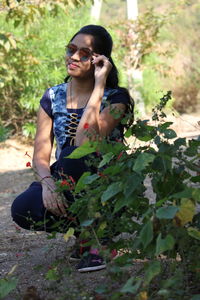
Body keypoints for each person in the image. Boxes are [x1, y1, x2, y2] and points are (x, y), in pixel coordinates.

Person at [11, 24, 133, 272]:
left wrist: (99, 86)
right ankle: (83, 233)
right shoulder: (52, 96)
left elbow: (86, 144)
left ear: (99, 60)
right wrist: (48, 185)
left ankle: (101, 235)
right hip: (66, 180)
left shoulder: (117, 99)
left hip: (106, 187)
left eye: (85, 53)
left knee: (74, 155)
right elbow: (41, 156)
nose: (74, 57)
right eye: (71, 50)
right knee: (22, 208)